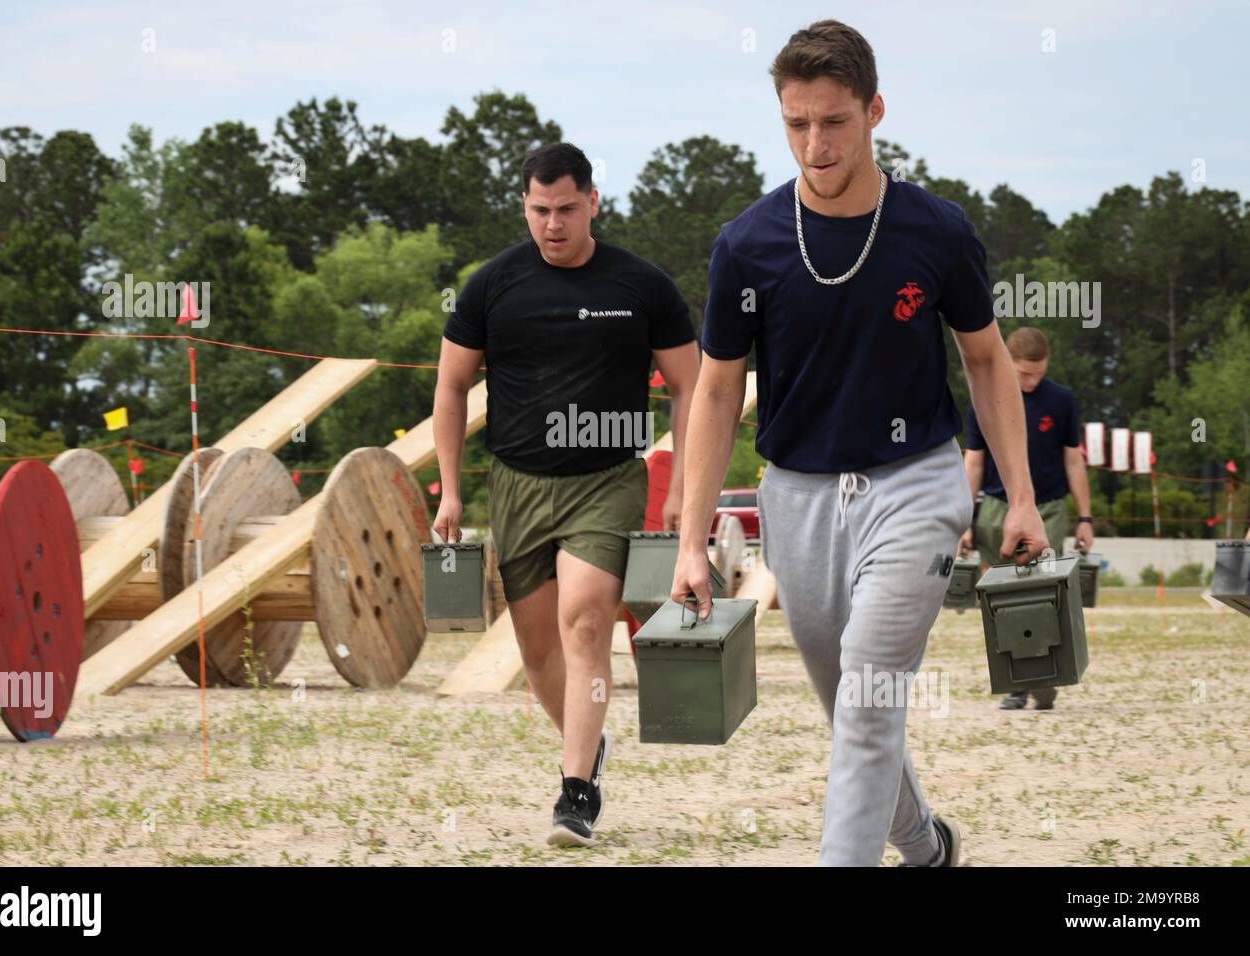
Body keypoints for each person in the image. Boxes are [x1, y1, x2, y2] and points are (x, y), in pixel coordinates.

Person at [670, 20, 1049, 867]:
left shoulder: (937, 231)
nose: (815, 142)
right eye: (797, 123)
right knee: (850, 704)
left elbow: (985, 362)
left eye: (834, 121)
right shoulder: (746, 246)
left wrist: (1019, 496)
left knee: (871, 694)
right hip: (796, 497)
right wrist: (690, 541)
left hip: (915, 485)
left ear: (875, 111)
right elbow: (718, 391)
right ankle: (923, 845)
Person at [432, 142, 700, 847]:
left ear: (594, 204)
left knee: (585, 623)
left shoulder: (642, 287)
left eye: (567, 210)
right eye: (539, 211)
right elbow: (452, 387)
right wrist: (452, 491)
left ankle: (575, 791)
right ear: (524, 206)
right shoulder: (491, 287)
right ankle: (588, 742)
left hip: (606, 482)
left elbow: (691, 386)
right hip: (517, 484)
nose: (553, 224)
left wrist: (683, 485)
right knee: (540, 650)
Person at [959, 327, 1093, 711]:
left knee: (1042, 588)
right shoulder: (986, 398)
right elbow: (974, 460)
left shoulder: (1061, 400)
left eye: (1037, 373)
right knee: (1005, 598)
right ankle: (1018, 680)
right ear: (1008, 363)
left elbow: (1073, 459)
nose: (1030, 381)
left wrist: (1085, 517)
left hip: (1047, 507)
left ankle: (1046, 674)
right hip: (997, 507)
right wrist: (964, 518)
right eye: (1022, 374)